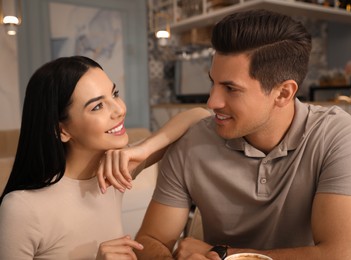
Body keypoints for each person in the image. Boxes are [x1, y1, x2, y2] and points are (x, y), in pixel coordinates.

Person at [124, 9, 351, 260]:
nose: (212, 101)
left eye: (231, 88)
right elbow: (150, 240)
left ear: (283, 93)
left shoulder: (338, 136)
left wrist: (224, 254)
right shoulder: (191, 143)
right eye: (213, 82)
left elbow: (343, 256)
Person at [0, 56, 210, 259]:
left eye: (114, 94)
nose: (119, 109)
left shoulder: (113, 171)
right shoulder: (21, 209)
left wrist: (143, 149)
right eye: (97, 106)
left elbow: (200, 116)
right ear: (62, 130)